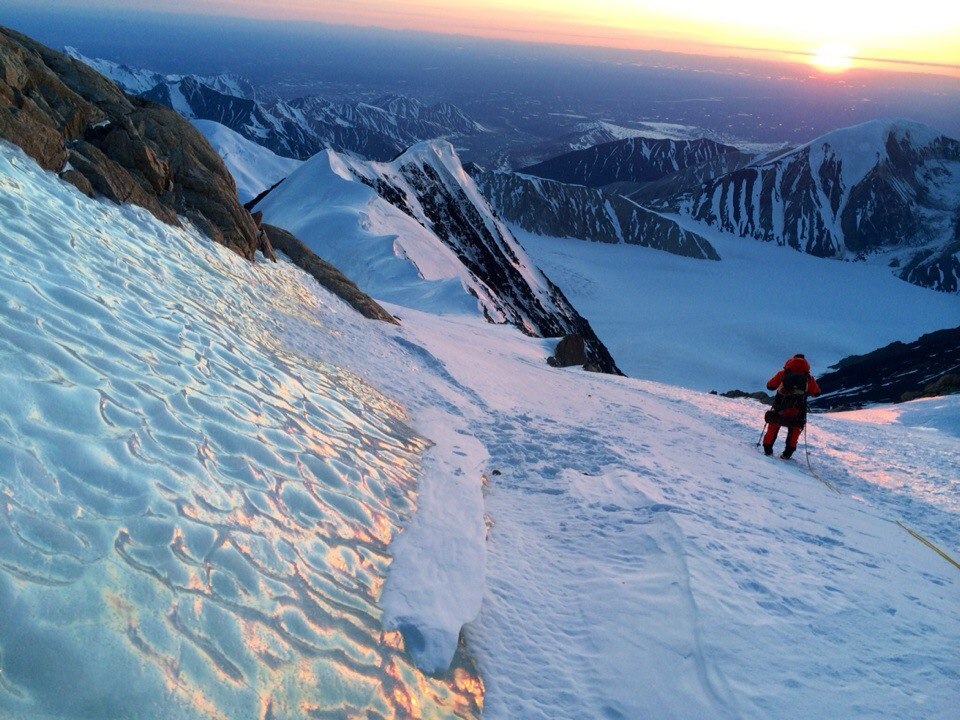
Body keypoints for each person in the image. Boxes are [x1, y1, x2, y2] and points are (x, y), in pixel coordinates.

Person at [762, 354, 821, 459]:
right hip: (798, 410)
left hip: (779, 407)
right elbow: (816, 393)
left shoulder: (783, 374)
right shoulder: (808, 378)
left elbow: (770, 386)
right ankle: (787, 454)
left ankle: (768, 449)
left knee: (773, 426)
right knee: (794, 430)